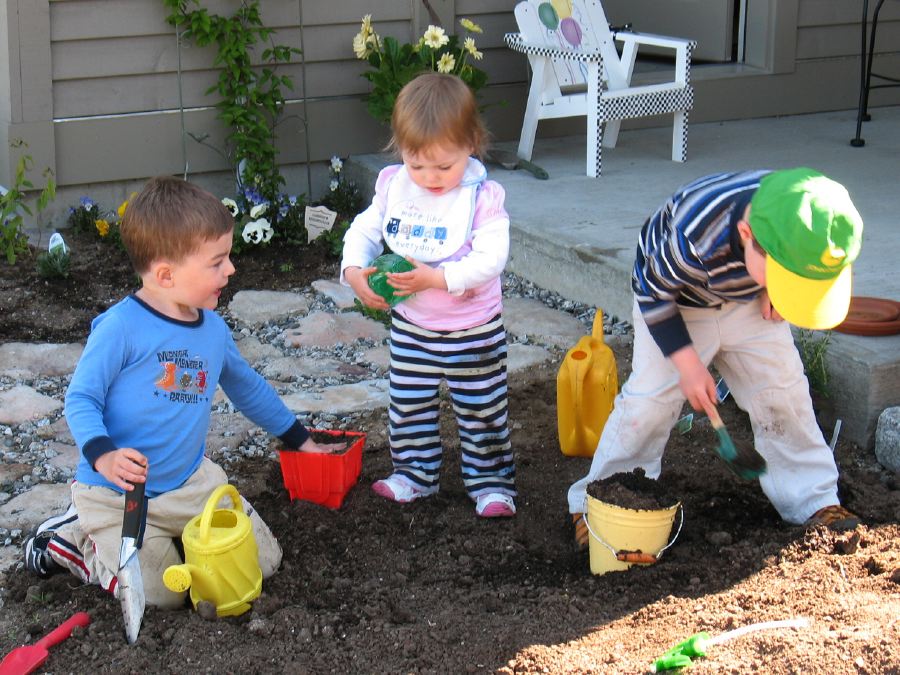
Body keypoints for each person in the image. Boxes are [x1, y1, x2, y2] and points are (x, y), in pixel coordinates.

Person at [23, 176, 340, 607]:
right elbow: (81, 398)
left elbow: (247, 387)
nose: (230, 270)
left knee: (263, 563)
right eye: (217, 262)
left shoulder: (212, 330)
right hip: (119, 495)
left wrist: (300, 440)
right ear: (166, 274)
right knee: (159, 598)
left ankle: (176, 541)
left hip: (190, 483)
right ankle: (69, 541)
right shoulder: (120, 329)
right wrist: (104, 454)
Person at [569, 168, 865, 547]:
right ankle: (598, 504)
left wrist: (779, 290)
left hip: (747, 302)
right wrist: (688, 364)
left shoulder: (803, 218)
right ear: (747, 236)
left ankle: (814, 499)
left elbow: (799, 266)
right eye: (784, 276)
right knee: (650, 405)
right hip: (677, 304)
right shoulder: (693, 230)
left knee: (783, 392)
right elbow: (654, 292)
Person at [341, 73, 517, 518]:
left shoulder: (481, 198)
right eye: (417, 165)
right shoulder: (395, 188)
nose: (430, 178)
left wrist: (436, 279)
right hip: (413, 327)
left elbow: (490, 259)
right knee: (409, 404)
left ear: (471, 144)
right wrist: (354, 271)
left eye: (444, 166)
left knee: (481, 409)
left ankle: (492, 483)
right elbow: (365, 229)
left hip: (472, 330)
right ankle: (415, 474)